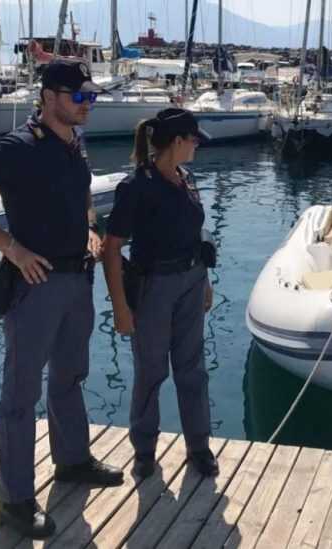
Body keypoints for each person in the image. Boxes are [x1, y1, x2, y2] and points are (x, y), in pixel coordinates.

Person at [0, 58, 123, 539]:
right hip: (36, 283)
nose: (87, 105)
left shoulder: (74, 144)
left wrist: (90, 228)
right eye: (79, 97)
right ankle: (15, 501)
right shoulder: (16, 149)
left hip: (77, 279)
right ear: (49, 96)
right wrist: (9, 246)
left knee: (70, 377)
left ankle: (71, 460)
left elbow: (82, 197)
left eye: (91, 97)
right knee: (20, 396)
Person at [102, 108, 218, 479]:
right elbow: (111, 246)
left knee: (193, 370)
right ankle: (144, 451)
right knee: (151, 372)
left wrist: (206, 281)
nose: (198, 145)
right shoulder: (137, 186)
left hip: (191, 281)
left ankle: (198, 447)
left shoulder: (188, 178)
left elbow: (194, 235)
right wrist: (120, 306)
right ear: (178, 141)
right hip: (154, 287)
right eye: (194, 139)